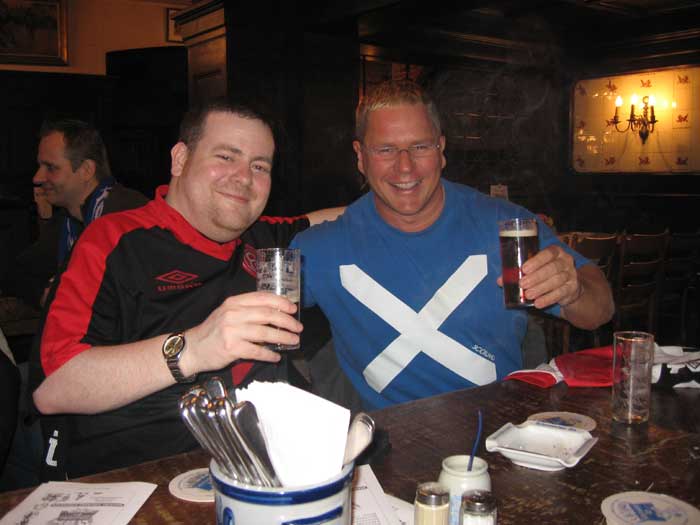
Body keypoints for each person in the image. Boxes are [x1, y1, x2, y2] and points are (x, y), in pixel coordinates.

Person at [29, 98, 342, 479]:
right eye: (226, 157)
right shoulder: (113, 241)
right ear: (180, 159)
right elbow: (54, 388)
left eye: (259, 166)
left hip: (256, 468)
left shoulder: (262, 238)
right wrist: (193, 349)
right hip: (136, 478)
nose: (244, 177)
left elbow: (343, 219)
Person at [291, 80, 615, 411]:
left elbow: (600, 310)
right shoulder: (321, 248)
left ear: (441, 150)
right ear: (361, 157)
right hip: (389, 438)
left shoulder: (506, 228)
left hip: (502, 429)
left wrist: (574, 291)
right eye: (385, 150)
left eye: (420, 147)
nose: (405, 167)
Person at [3, 118, 148, 308]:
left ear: (86, 170)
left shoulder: (131, 215)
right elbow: (15, 273)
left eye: (51, 167)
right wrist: (46, 294)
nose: (37, 178)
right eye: (40, 166)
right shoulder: (68, 222)